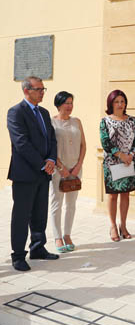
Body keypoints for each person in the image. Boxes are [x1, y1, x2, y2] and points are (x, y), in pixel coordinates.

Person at [7, 76, 59, 271]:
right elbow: (21, 143)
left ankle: (38, 247)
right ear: (26, 91)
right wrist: (42, 164)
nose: (42, 92)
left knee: (40, 213)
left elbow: (52, 139)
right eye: (39, 89)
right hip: (25, 173)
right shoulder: (15, 112)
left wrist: (52, 160)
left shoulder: (44, 113)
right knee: (21, 215)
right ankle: (18, 255)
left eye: (43, 89)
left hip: (44, 173)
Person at [100, 90, 135, 242]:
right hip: (112, 163)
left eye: (122, 101)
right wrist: (121, 155)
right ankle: (112, 226)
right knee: (113, 195)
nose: (120, 104)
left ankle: (123, 225)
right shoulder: (105, 121)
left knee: (126, 194)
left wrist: (131, 155)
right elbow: (105, 143)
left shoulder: (132, 120)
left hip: (129, 162)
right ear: (111, 103)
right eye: (116, 101)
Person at [50, 91, 86, 253]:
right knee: (57, 203)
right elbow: (49, 148)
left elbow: (83, 145)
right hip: (58, 170)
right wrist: (61, 168)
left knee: (71, 204)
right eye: (67, 103)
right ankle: (57, 236)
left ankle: (67, 234)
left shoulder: (77, 121)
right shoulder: (51, 122)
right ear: (59, 104)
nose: (70, 106)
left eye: (71, 103)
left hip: (76, 168)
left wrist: (78, 165)